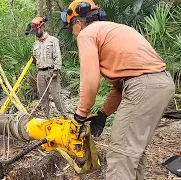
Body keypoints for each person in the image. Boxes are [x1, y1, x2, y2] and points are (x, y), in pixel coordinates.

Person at [62, 0, 175, 179]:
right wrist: (103, 114)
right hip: (162, 84)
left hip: (144, 87)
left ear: (78, 22)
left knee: (121, 153)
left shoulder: (87, 34)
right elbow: (121, 87)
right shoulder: (116, 29)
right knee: (134, 151)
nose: (73, 33)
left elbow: (90, 79)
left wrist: (80, 115)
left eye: (71, 28)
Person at [25, 16, 66, 119]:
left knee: (57, 97)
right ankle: (48, 118)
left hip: (52, 71)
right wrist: (34, 61)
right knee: (43, 98)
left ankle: (65, 117)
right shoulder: (35, 44)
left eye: (36, 30)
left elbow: (58, 56)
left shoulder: (53, 40)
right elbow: (36, 60)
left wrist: (56, 70)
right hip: (40, 73)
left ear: (42, 27)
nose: (35, 33)